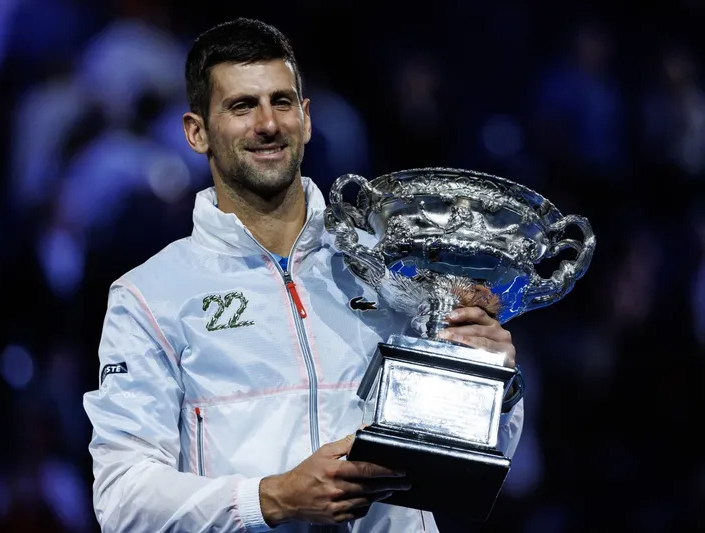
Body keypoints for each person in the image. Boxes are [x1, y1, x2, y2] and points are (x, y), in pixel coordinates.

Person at [82, 17, 525, 533]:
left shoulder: (391, 268)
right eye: (241, 106)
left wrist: (491, 386)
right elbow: (122, 497)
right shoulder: (150, 295)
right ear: (196, 132)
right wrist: (270, 499)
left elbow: (466, 463)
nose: (267, 123)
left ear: (307, 118)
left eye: (282, 101)